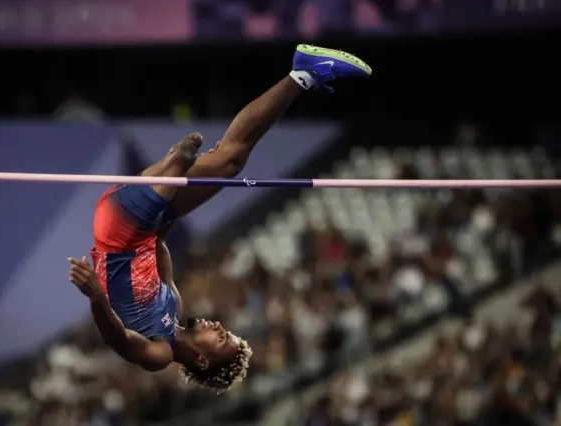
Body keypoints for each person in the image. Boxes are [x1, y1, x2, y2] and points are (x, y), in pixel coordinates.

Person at [67, 44, 372, 394]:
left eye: (220, 336)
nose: (218, 325)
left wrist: (95, 297)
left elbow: (117, 336)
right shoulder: (174, 304)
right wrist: (172, 213)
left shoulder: (159, 355)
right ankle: (304, 74)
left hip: (119, 229)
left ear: (202, 360)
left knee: (185, 178)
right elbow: (160, 246)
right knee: (231, 161)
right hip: (144, 221)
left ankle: (173, 167)